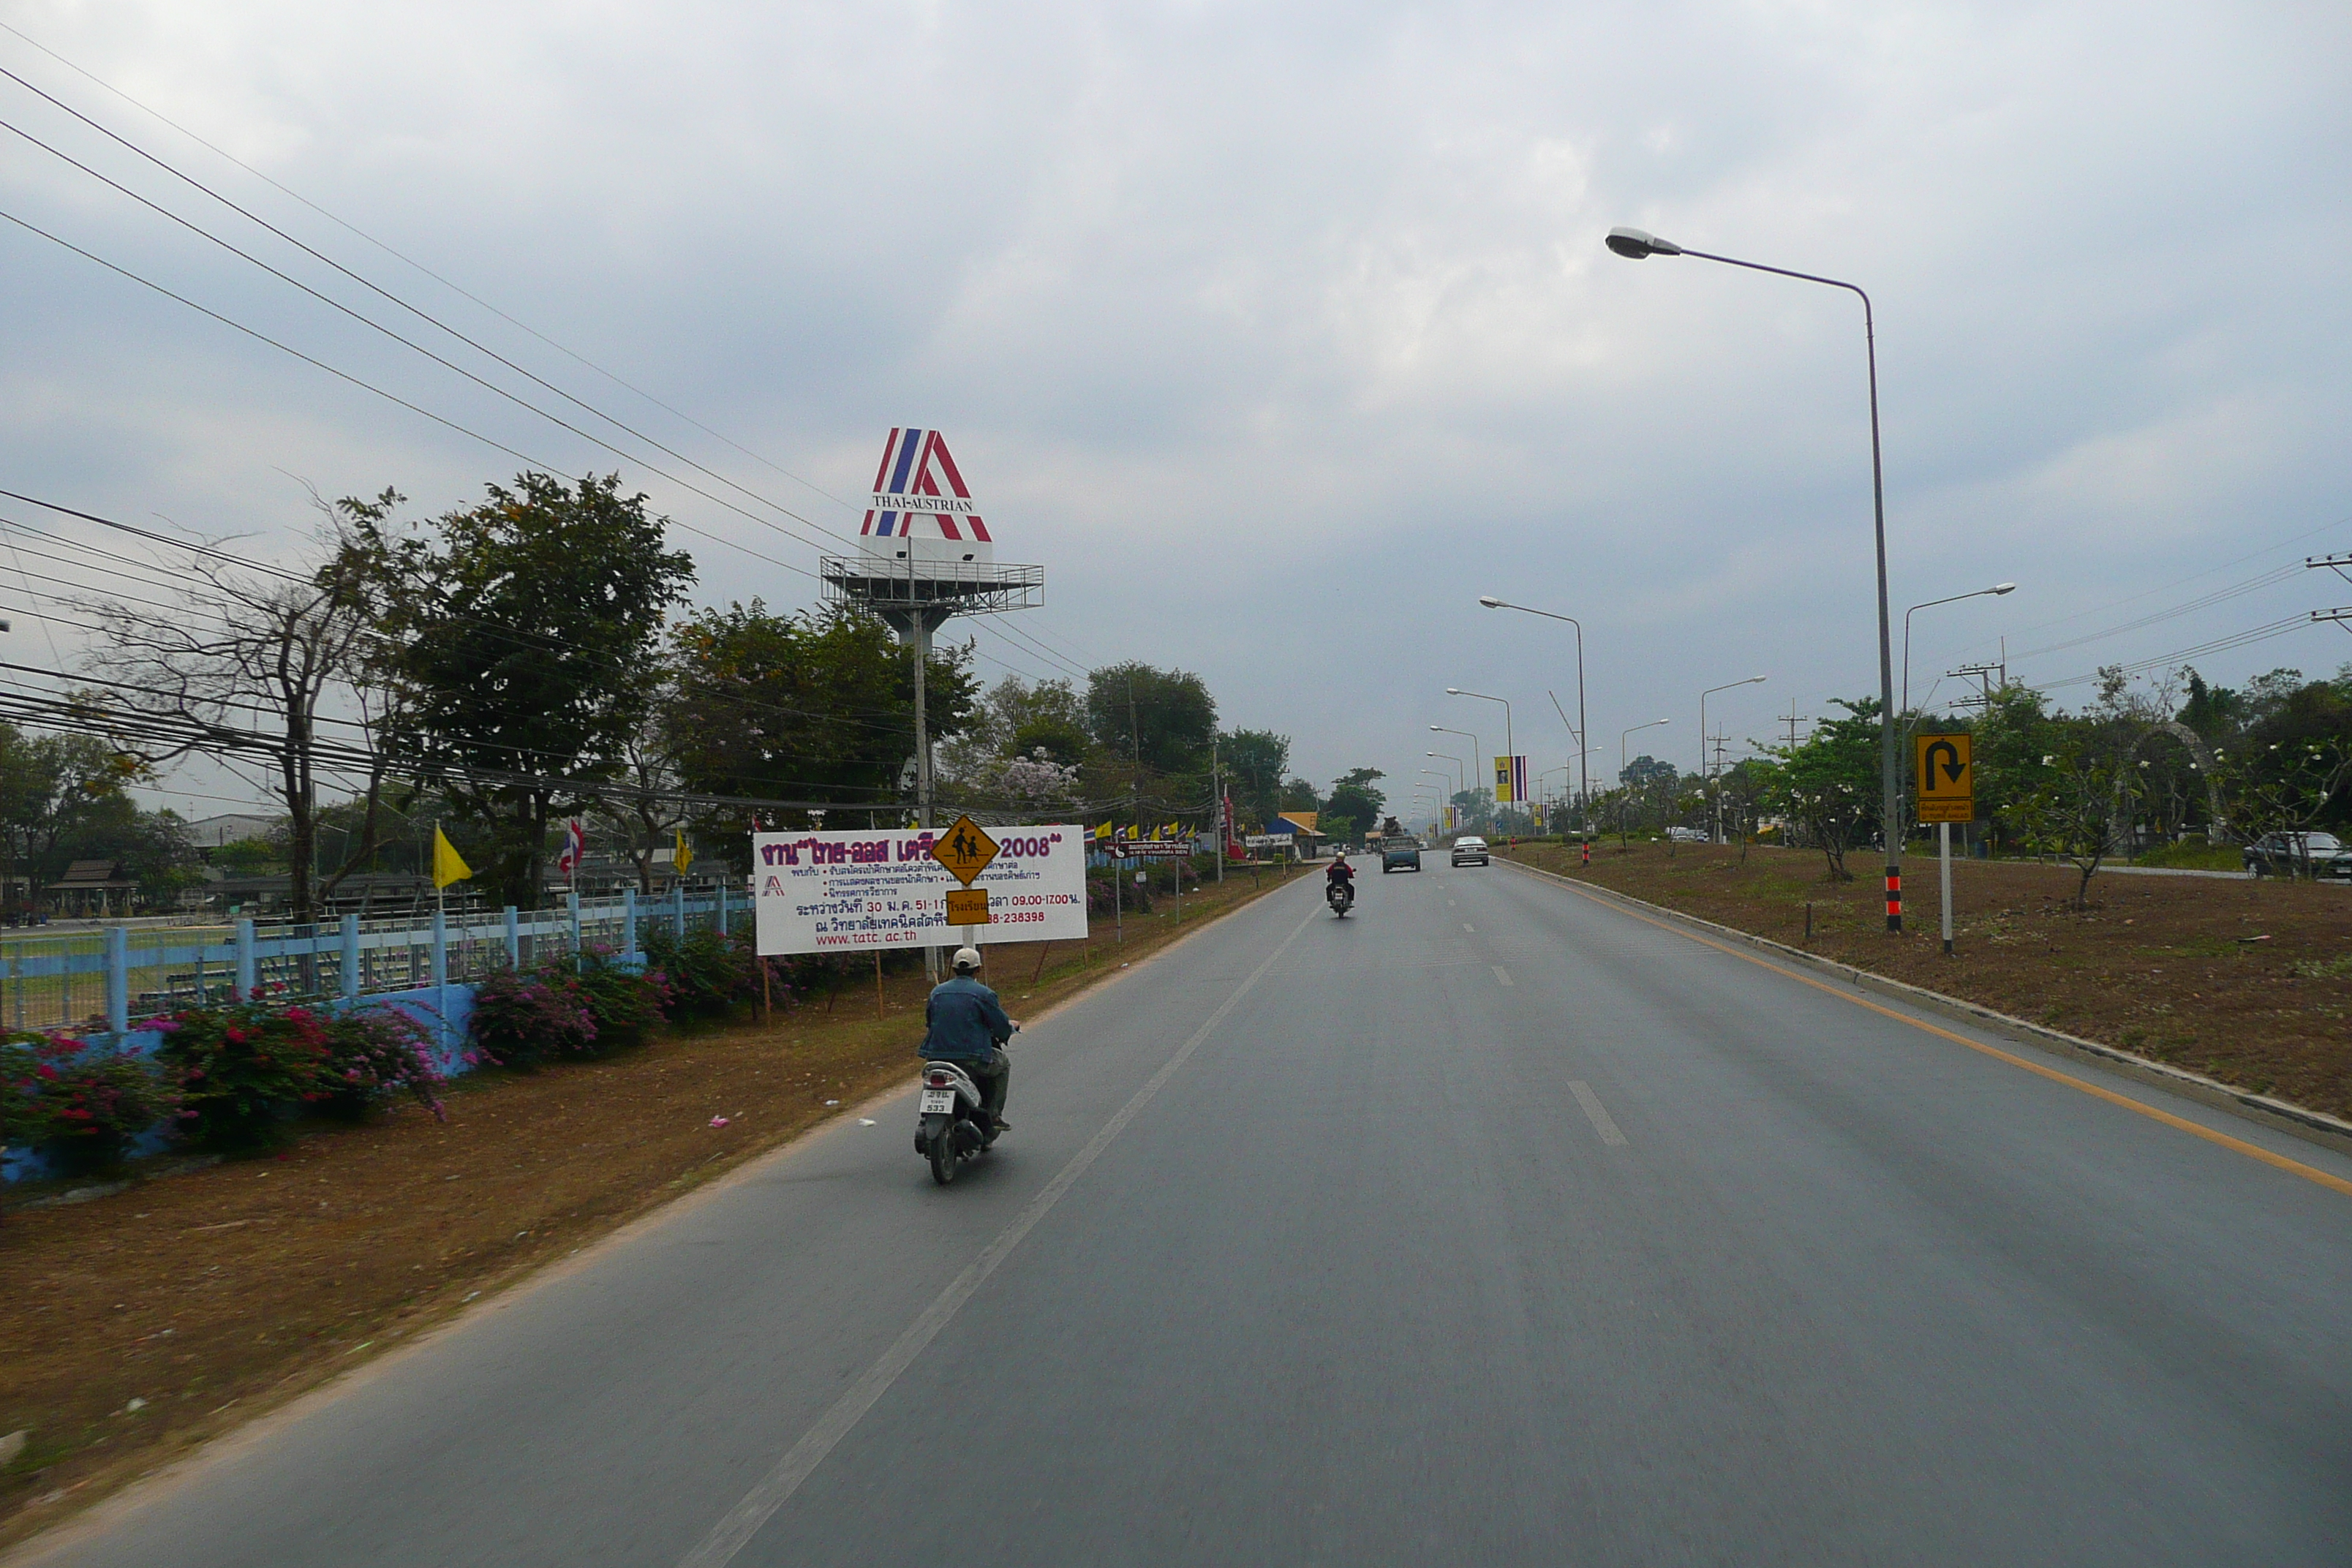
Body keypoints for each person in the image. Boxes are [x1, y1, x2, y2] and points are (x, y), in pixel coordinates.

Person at [921, 946, 1018, 1131]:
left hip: (936, 1056)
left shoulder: (937, 992)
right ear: (978, 970)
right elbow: (1000, 1026)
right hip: (972, 1058)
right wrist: (1010, 1028)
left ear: (954, 968)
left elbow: (930, 1021)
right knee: (1003, 1064)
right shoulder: (983, 993)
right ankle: (994, 1115)